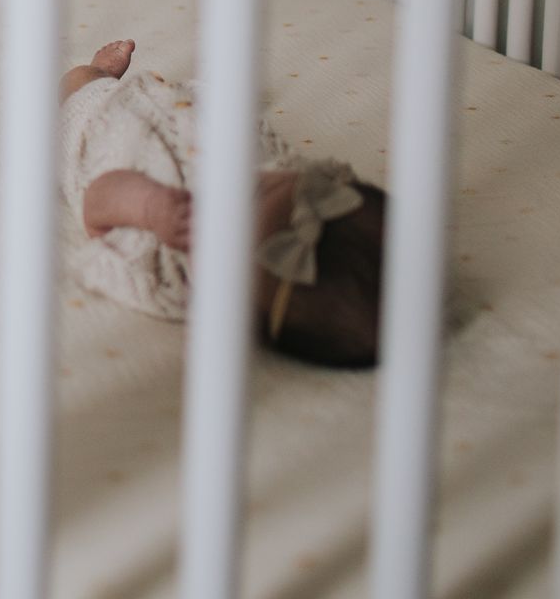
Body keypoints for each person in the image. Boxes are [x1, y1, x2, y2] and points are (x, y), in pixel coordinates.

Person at [59, 38, 386, 368]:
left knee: (77, 88)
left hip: (103, 134)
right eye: (262, 188)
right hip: (182, 112)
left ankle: (96, 73)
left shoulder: (166, 273)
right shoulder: (284, 175)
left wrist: (150, 207)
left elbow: (96, 206)